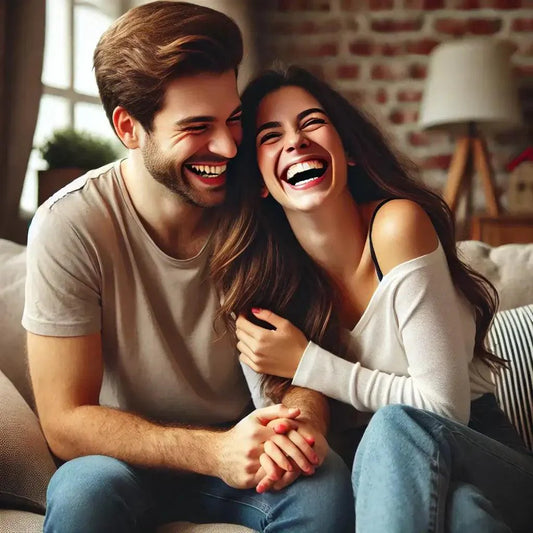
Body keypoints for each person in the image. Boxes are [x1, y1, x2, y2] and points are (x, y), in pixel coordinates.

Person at [22, 5, 354, 533]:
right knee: (85, 493)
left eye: (234, 119)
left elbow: (301, 367)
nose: (227, 146)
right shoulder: (72, 224)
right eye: (198, 127)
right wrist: (212, 451)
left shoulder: (265, 200)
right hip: (121, 461)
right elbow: (65, 421)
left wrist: (300, 425)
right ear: (129, 127)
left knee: (324, 482)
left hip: (246, 455)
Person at [211, 65, 533, 532]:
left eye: (311, 122)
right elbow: (284, 429)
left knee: (396, 426)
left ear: (349, 151)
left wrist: (307, 362)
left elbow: (442, 410)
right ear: (260, 181)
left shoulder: (397, 226)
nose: (295, 141)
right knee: (466, 516)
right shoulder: (263, 285)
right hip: (387, 475)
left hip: (483, 449)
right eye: (270, 135)